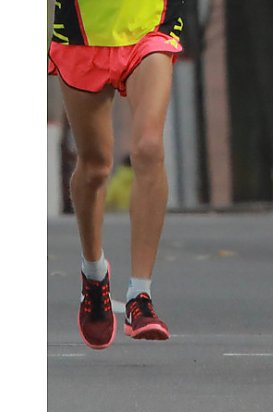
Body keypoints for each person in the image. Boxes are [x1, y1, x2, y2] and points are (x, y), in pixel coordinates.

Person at [49, 0, 184, 350]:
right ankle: (94, 275)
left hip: (150, 26)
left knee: (149, 147)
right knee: (95, 166)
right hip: (83, 32)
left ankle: (141, 296)